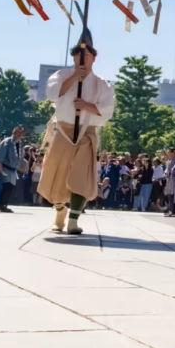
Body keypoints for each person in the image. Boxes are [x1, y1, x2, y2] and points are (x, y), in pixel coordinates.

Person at [39, 35, 115, 235]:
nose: (83, 59)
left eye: (87, 56)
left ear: (93, 59)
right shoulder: (61, 75)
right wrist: (74, 77)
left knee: (81, 176)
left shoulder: (102, 83)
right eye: (79, 56)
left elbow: (107, 110)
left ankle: (74, 219)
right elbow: (52, 94)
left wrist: (87, 106)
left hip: (86, 132)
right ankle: (59, 211)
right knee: (55, 174)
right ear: (73, 58)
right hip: (64, 130)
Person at [0, 126, 25, 212]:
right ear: (13, 132)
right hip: (5, 166)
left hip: (13, 168)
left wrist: (21, 166)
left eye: (21, 133)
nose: (19, 135)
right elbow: (1, 155)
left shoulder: (19, 143)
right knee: (6, 186)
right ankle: (2, 205)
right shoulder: (7, 141)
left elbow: (19, 156)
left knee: (10, 187)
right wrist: (0, 168)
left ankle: (4, 204)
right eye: (17, 132)